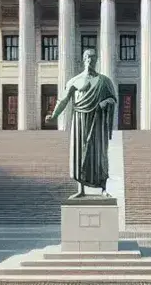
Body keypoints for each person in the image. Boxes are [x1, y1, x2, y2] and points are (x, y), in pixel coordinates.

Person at [48, 48, 118, 197]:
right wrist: (54, 115)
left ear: (97, 60)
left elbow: (113, 98)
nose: (91, 60)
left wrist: (105, 102)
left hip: (97, 121)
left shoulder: (104, 81)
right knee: (79, 153)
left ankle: (103, 188)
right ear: (83, 59)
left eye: (93, 58)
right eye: (88, 57)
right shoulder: (75, 80)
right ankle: (81, 190)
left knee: (99, 153)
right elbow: (63, 100)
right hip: (79, 120)